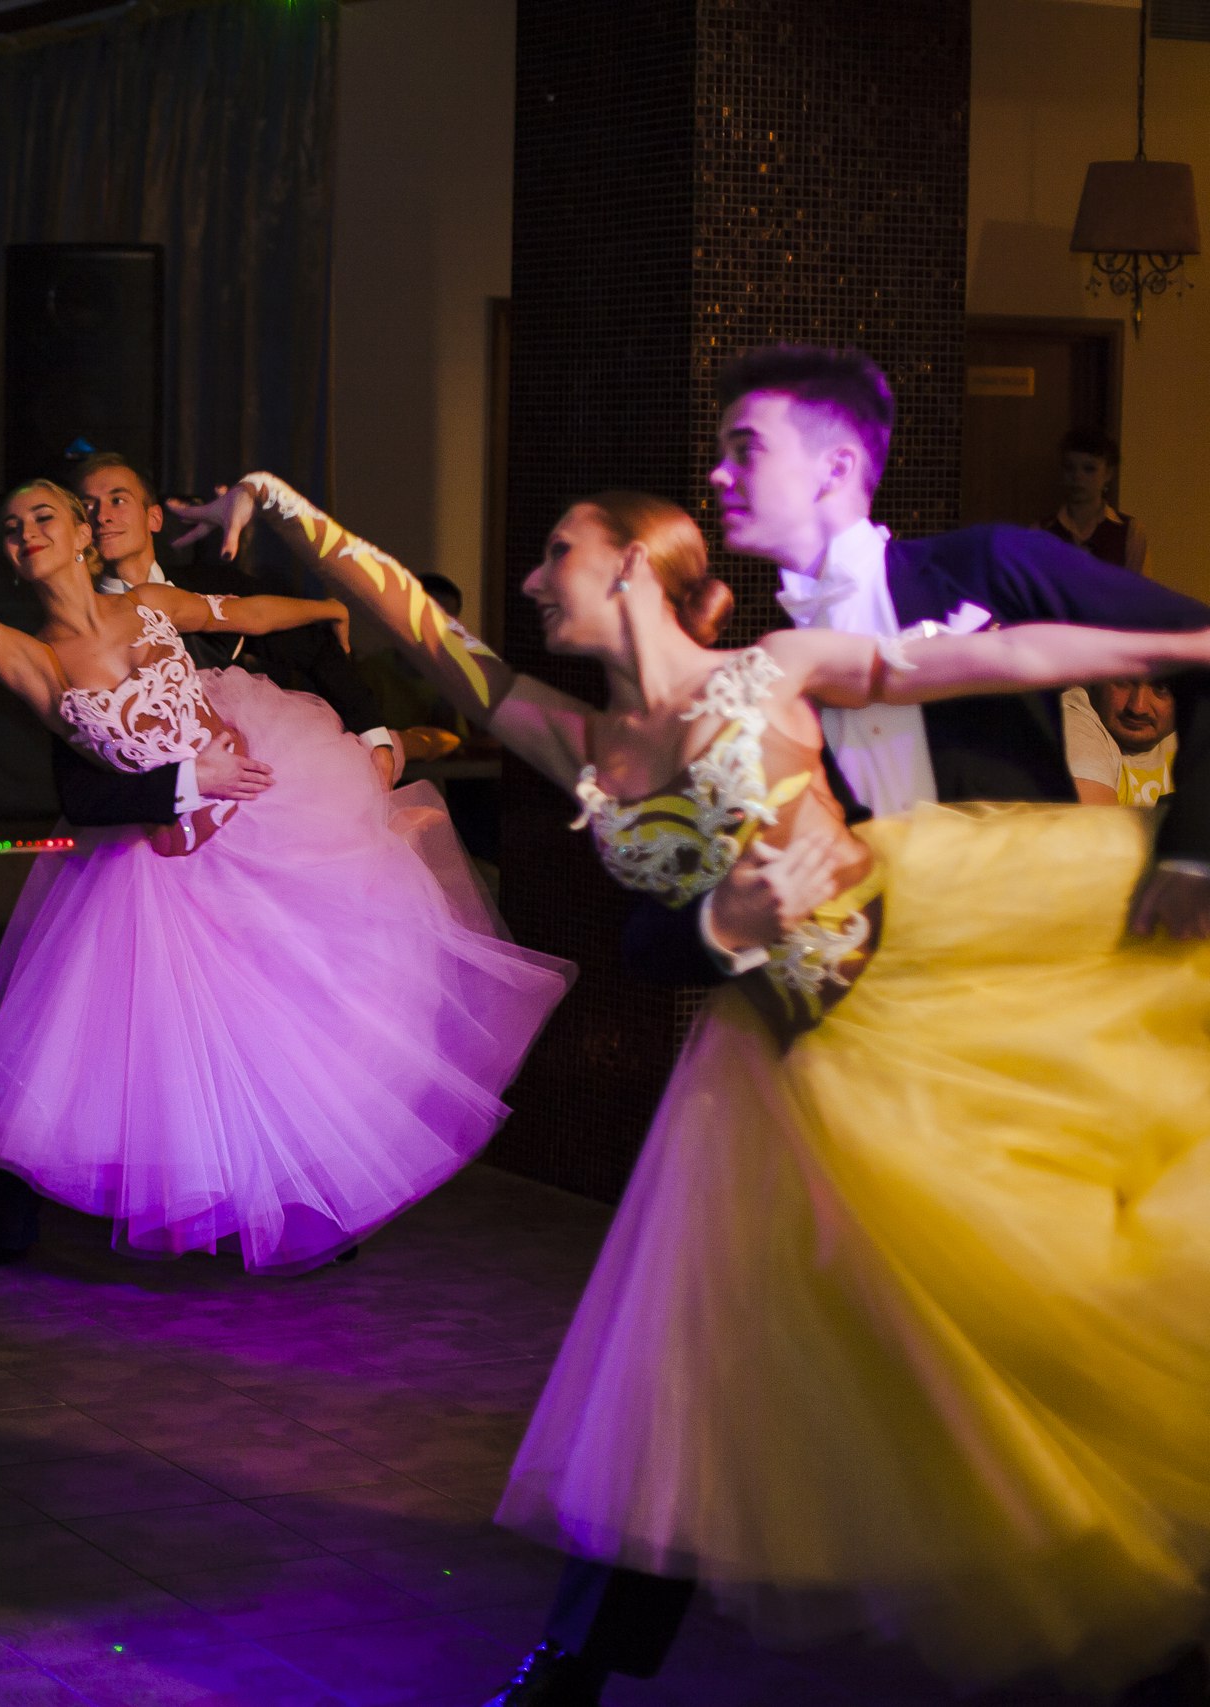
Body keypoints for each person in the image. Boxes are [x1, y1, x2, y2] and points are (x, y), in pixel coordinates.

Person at [178, 471, 1210, 1703]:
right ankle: (575, 1664)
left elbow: (999, 658)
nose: (528, 579)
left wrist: (1178, 647)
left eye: (554, 552)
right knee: (693, 1351)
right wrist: (284, 510)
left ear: (629, 568)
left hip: (911, 1017)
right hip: (773, 1066)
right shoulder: (582, 743)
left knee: (1013, 1309)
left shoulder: (772, 674)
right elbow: (423, 630)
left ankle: (1148, 1625)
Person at [0, 451, 572, 1275]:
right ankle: (40, 1224)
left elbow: (247, 613)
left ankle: (309, 1208)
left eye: (43, 517)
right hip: (159, 861)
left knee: (300, 1016)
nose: (26, 533)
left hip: (268, 821)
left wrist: (324, 604)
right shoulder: (33, 658)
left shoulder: (147, 605)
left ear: (80, 535)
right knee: (124, 1048)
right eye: (13, 528)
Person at [0, 450, 404, 1274]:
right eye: (88, 503)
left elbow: (303, 639)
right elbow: (82, 789)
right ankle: (13, 1222)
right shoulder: (59, 642)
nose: (103, 513)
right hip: (146, 844)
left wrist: (372, 729)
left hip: (259, 815)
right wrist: (185, 782)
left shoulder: (192, 590)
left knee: (279, 1014)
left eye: (117, 499)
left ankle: (306, 1204)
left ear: (150, 516)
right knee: (76, 1029)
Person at [621, 347, 1210, 991]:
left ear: (836, 467)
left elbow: (1199, 645)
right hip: (883, 1006)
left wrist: (1195, 850)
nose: (717, 474)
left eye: (746, 449)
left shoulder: (987, 565)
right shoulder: (757, 678)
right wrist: (723, 923)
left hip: (1045, 969)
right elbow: (651, 934)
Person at [1044, 425, 1152, 577]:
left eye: (1089, 469)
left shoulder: (1129, 532)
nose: (1077, 477)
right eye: (1070, 468)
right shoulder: (1042, 532)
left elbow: (1139, 588)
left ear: (1108, 473)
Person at [1069, 677, 1181, 807]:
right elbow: (1097, 819)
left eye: (1161, 687)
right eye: (1124, 680)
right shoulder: (1074, 724)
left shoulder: (1191, 723)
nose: (1138, 708)